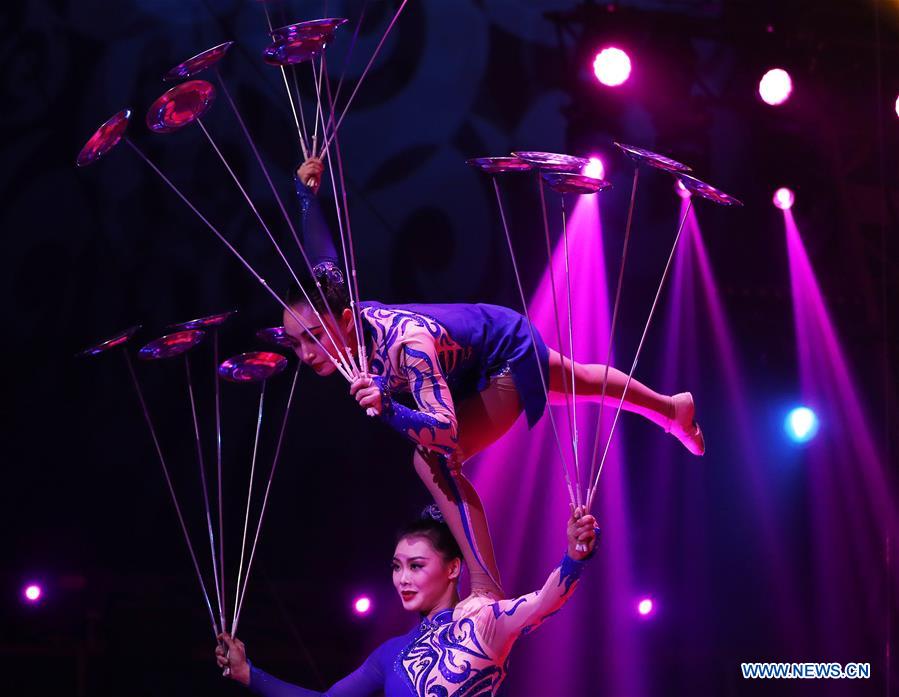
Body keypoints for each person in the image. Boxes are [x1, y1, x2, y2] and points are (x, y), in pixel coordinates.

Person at [282, 157, 702, 598]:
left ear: (347, 320)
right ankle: (672, 408)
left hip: (501, 349)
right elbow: (322, 255)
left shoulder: (407, 345)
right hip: (475, 351)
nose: (307, 354)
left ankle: (485, 587)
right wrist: (304, 194)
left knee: (432, 459)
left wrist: (388, 408)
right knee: (577, 382)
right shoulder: (331, 301)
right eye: (294, 343)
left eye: (314, 337)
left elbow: (443, 432)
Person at [216, 505, 599, 696]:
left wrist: (575, 556)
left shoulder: (482, 621)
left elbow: (546, 600)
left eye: (416, 566)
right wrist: (250, 673)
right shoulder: (390, 653)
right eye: (397, 567)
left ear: (453, 568)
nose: (402, 579)